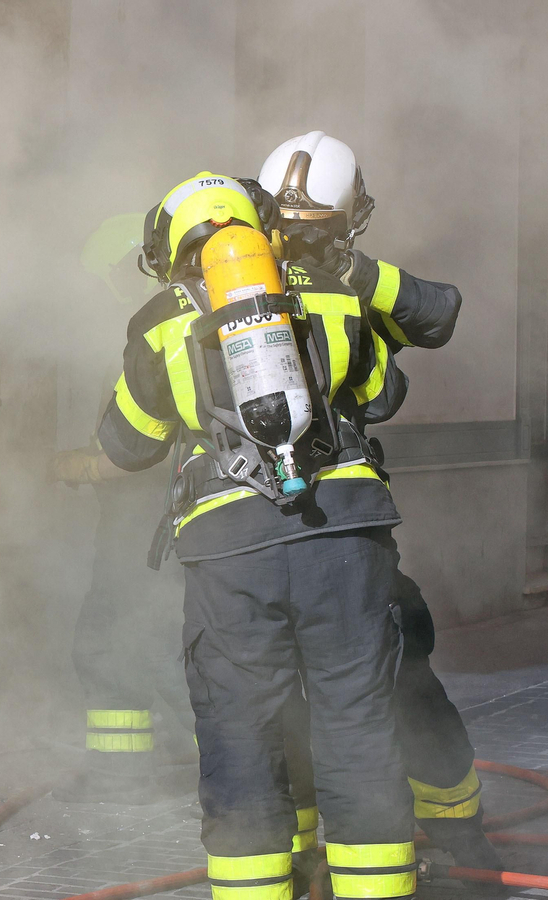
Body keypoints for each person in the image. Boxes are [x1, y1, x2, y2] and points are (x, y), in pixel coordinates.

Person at [96, 172, 422, 900]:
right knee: (357, 722)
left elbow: (127, 443)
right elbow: (385, 395)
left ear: (170, 243)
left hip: (229, 550)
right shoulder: (328, 292)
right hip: (344, 536)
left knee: (241, 735)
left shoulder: (158, 321)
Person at [258, 131, 501, 871]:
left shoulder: (223, 290)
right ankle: (459, 843)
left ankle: (292, 864)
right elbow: (423, 335)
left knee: (274, 700)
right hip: (343, 534)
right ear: (350, 215)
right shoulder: (349, 293)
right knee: (399, 673)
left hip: (246, 540)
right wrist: (354, 273)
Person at [48, 215, 196, 805]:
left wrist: (73, 468)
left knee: (141, 643)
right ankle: (121, 776)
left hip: (148, 524)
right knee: (122, 640)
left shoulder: (156, 331)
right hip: (151, 523)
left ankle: (250, 772)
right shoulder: (182, 322)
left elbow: (137, 452)